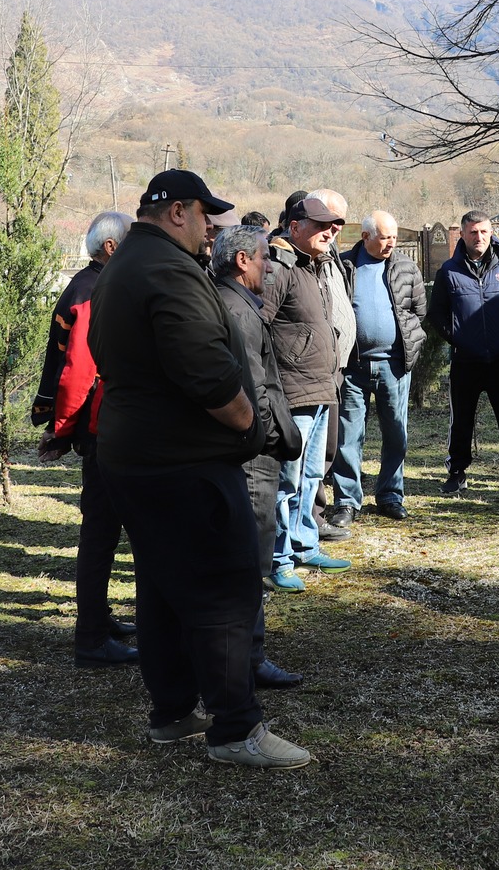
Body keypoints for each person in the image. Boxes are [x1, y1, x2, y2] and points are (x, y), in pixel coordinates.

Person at [89, 169, 312, 768]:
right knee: (225, 592)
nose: (211, 228)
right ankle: (236, 727)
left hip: (139, 453)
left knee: (164, 587)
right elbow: (206, 371)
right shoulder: (167, 270)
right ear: (178, 211)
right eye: (205, 215)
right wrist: (248, 424)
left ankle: (172, 712)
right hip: (185, 460)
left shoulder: (125, 264)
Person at [34, 210, 139, 668]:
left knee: (104, 531)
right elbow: (78, 372)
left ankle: (99, 619)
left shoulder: (90, 284)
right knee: (99, 535)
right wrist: (62, 430)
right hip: (100, 429)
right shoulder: (93, 291)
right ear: (111, 248)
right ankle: (91, 638)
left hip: (100, 425)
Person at [211, 221, 308, 688]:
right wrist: (268, 439)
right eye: (265, 257)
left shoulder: (236, 304)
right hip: (252, 457)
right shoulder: (238, 311)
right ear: (242, 260)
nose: (270, 267)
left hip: (250, 452)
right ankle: (247, 660)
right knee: (250, 561)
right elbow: (253, 388)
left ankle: (243, 656)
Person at [264, 190, 353, 589]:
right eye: (321, 225)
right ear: (296, 227)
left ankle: (304, 544)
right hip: (292, 391)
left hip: (320, 387)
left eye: (333, 226)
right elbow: (259, 325)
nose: (329, 232)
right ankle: (279, 558)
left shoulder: (314, 265)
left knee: (312, 475)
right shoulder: (279, 266)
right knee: (287, 480)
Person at [426, 210, 499, 493]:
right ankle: (457, 473)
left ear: (491, 233)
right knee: (461, 420)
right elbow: (436, 314)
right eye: (473, 232)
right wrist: (458, 338)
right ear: (463, 235)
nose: (478, 237)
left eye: (483, 232)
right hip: (466, 361)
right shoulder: (448, 271)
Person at [333, 210, 428, 523]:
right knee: (348, 435)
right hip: (352, 367)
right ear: (365, 237)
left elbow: (418, 312)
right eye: (384, 237)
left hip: (394, 366)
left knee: (396, 435)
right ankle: (347, 502)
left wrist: (409, 344)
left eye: (394, 237)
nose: (391, 243)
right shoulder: (343, 266)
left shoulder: (406, 267)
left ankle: (390, 496)